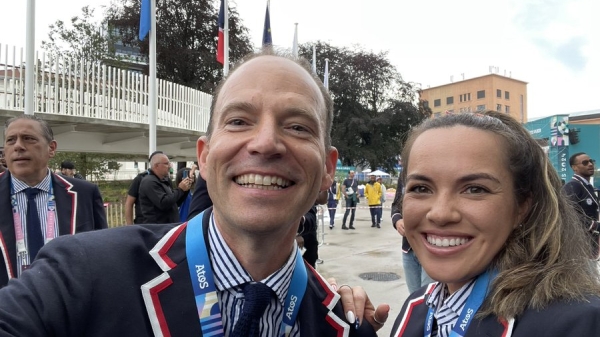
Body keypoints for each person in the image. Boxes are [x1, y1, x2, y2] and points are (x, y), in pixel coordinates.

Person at [0, 51, 389, 336]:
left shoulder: (344, 325)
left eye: (299, 127)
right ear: (204, 158)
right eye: (238, 121)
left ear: (326, 168)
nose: (266, 143)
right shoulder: (82, 274)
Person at [389, 111, 600, 336]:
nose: (440, 214)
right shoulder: (415, 308)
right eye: (420, 188)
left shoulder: (579, 324)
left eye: (475, 189)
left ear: (521, 207)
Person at [0, 114, 107, 286]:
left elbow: (102, 255)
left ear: (51, 148)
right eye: (11, 140)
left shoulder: (85, 193)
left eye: (28, 138)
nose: (18, 146)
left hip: (70, 306)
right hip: (8, 308)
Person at [390, 178, 433, 294]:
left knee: (427, 298)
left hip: (431, 246)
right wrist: (397, 220)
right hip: (408, 248)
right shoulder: (405, 171)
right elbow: (396, 204)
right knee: (414, 297)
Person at [562, 152, 600, 258]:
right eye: (585, 162)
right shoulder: (573, 186)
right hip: (578, 248)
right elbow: (567, 213)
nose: (590, 164)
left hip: (590, 245)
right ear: (574, 168)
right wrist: (594, 225)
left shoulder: (587, 187)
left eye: (591, 161)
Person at [138, 152, 192, 224]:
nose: (169, 166)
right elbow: (163, 203)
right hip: (157, 228)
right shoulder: (149, 182)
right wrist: (180, 189)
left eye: (169, 163)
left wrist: (185, 189)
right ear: (156, 166)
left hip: (169, 226)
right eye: (166, 164)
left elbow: (175, 202)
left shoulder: (165, 180)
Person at [124, 151, 164, 225]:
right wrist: (130, 225)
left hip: (161, 223)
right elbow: (129, 203)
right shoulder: (140, 179)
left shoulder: (165, 180)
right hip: (144, 223)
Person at [297, 190, 328, 267]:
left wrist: (325, 187)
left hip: (309, 225)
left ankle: (308, 270)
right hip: (296, 225)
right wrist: (296, 233)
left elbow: (322, 200)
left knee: (313, 248)